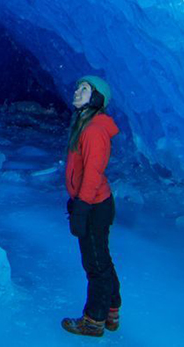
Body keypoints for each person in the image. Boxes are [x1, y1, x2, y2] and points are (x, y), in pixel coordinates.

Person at [60, 75, 122, 337]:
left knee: (95, 265)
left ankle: (94, 321)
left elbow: (93, 174)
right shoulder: (87, 124)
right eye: (77, 87)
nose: (77, 92)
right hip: (94, 202)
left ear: (96, 98)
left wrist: (82, 207)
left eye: (84, 89)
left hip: (95, 205)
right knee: (102, 260)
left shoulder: (94, 130)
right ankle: (111, 310)